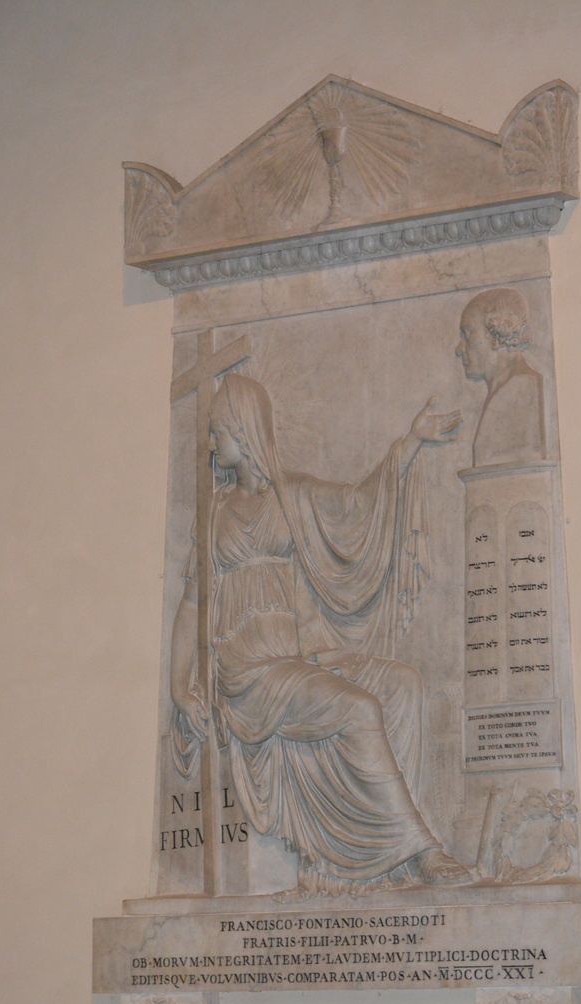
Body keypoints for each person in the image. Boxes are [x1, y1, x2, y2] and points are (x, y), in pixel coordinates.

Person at [170, 372, 470, 899]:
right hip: (247, 672)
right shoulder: (213, 513)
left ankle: (379, 858)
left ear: (243, 429)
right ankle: (420, 850)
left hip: (294, 657)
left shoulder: (294, 496)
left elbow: (358, 506)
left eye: (218, 431)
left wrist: (411, 441)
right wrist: (180, 688)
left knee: (402, 683)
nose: (212, 443)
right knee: (358, 708)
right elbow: (193, 603)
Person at [456, 288, 545, 466]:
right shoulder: (503, 393)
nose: (459, 349)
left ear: (497, 333)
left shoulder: (522, 391)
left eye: (467, 334)